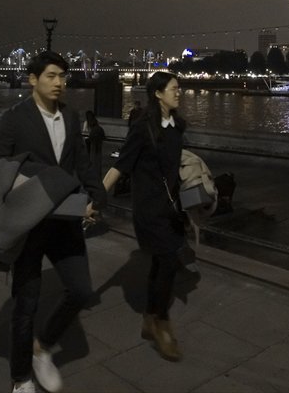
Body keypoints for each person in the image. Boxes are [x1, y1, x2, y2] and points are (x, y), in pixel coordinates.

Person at [0, 51, 105, 393]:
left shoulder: (69, 115)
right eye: (51, 76)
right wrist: (44, 180)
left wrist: (97, 194)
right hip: (30, 223)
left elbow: (80, 159)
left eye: (62, 76)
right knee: (26, 304)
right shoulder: (13, 119)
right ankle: (20, 379)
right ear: (33, 79)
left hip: (65, 220)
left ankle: (42, 347)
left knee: (81, 290)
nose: (59, 83)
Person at [102, 71, 188, 361]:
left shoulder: (177, 126)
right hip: (149, 210)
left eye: (179, 89)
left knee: (161, 263)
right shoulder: (142, 127)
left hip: (170, 208)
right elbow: (122, 165)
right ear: (158, 94)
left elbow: (175, 168)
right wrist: (97, 198)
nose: (179, 93)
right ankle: (161, 323)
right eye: (174, 89)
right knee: (168, 260)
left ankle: (149, 318)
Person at [84, 110, 105, 179]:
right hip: (97, 143)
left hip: (92, 142)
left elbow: (86, 133)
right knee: (97, 160)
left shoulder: (89, 124)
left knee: (92, 159)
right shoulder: (96, 124)